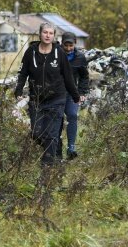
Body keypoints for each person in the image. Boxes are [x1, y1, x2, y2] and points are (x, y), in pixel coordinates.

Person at [14, 23, 80, 165]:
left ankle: (47, 168)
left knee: (51, 134)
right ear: (40, 34)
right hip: (36, 99)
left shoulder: (59, 53)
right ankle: (55, 150)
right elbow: (23, 72)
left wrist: (75, 96)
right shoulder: (30, 52)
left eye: (51, 33)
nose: (48, 35)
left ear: (54, 36)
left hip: (57, 99)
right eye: (45, 32)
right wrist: (18, 89)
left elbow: (68, 76)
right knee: (36, 133)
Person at [59, 31, 89, 159]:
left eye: (70, 45)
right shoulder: (56, 54)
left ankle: (71, 147)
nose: (68, 48)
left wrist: (82, 92)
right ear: (62, 44)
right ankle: (56, 147)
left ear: (75, 44)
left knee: (72, 115)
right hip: (57, 93)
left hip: (72, 93)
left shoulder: (80, 57)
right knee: (58, 119)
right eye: (66, 45)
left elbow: (84, 76)